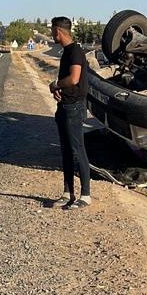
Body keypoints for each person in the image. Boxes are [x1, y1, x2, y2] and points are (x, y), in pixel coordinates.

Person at [49, 16, 91, 210]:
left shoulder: (75, 51)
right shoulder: (67, 52)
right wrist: (59, 91)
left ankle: (86, 195)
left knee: (77, 151)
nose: (51, 34)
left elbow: (74, 79)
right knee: (66, 151)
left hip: (74, 108)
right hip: (65, 106)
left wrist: (56, 84)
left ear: (58, 31)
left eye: (52, 31)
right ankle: (68, 193)